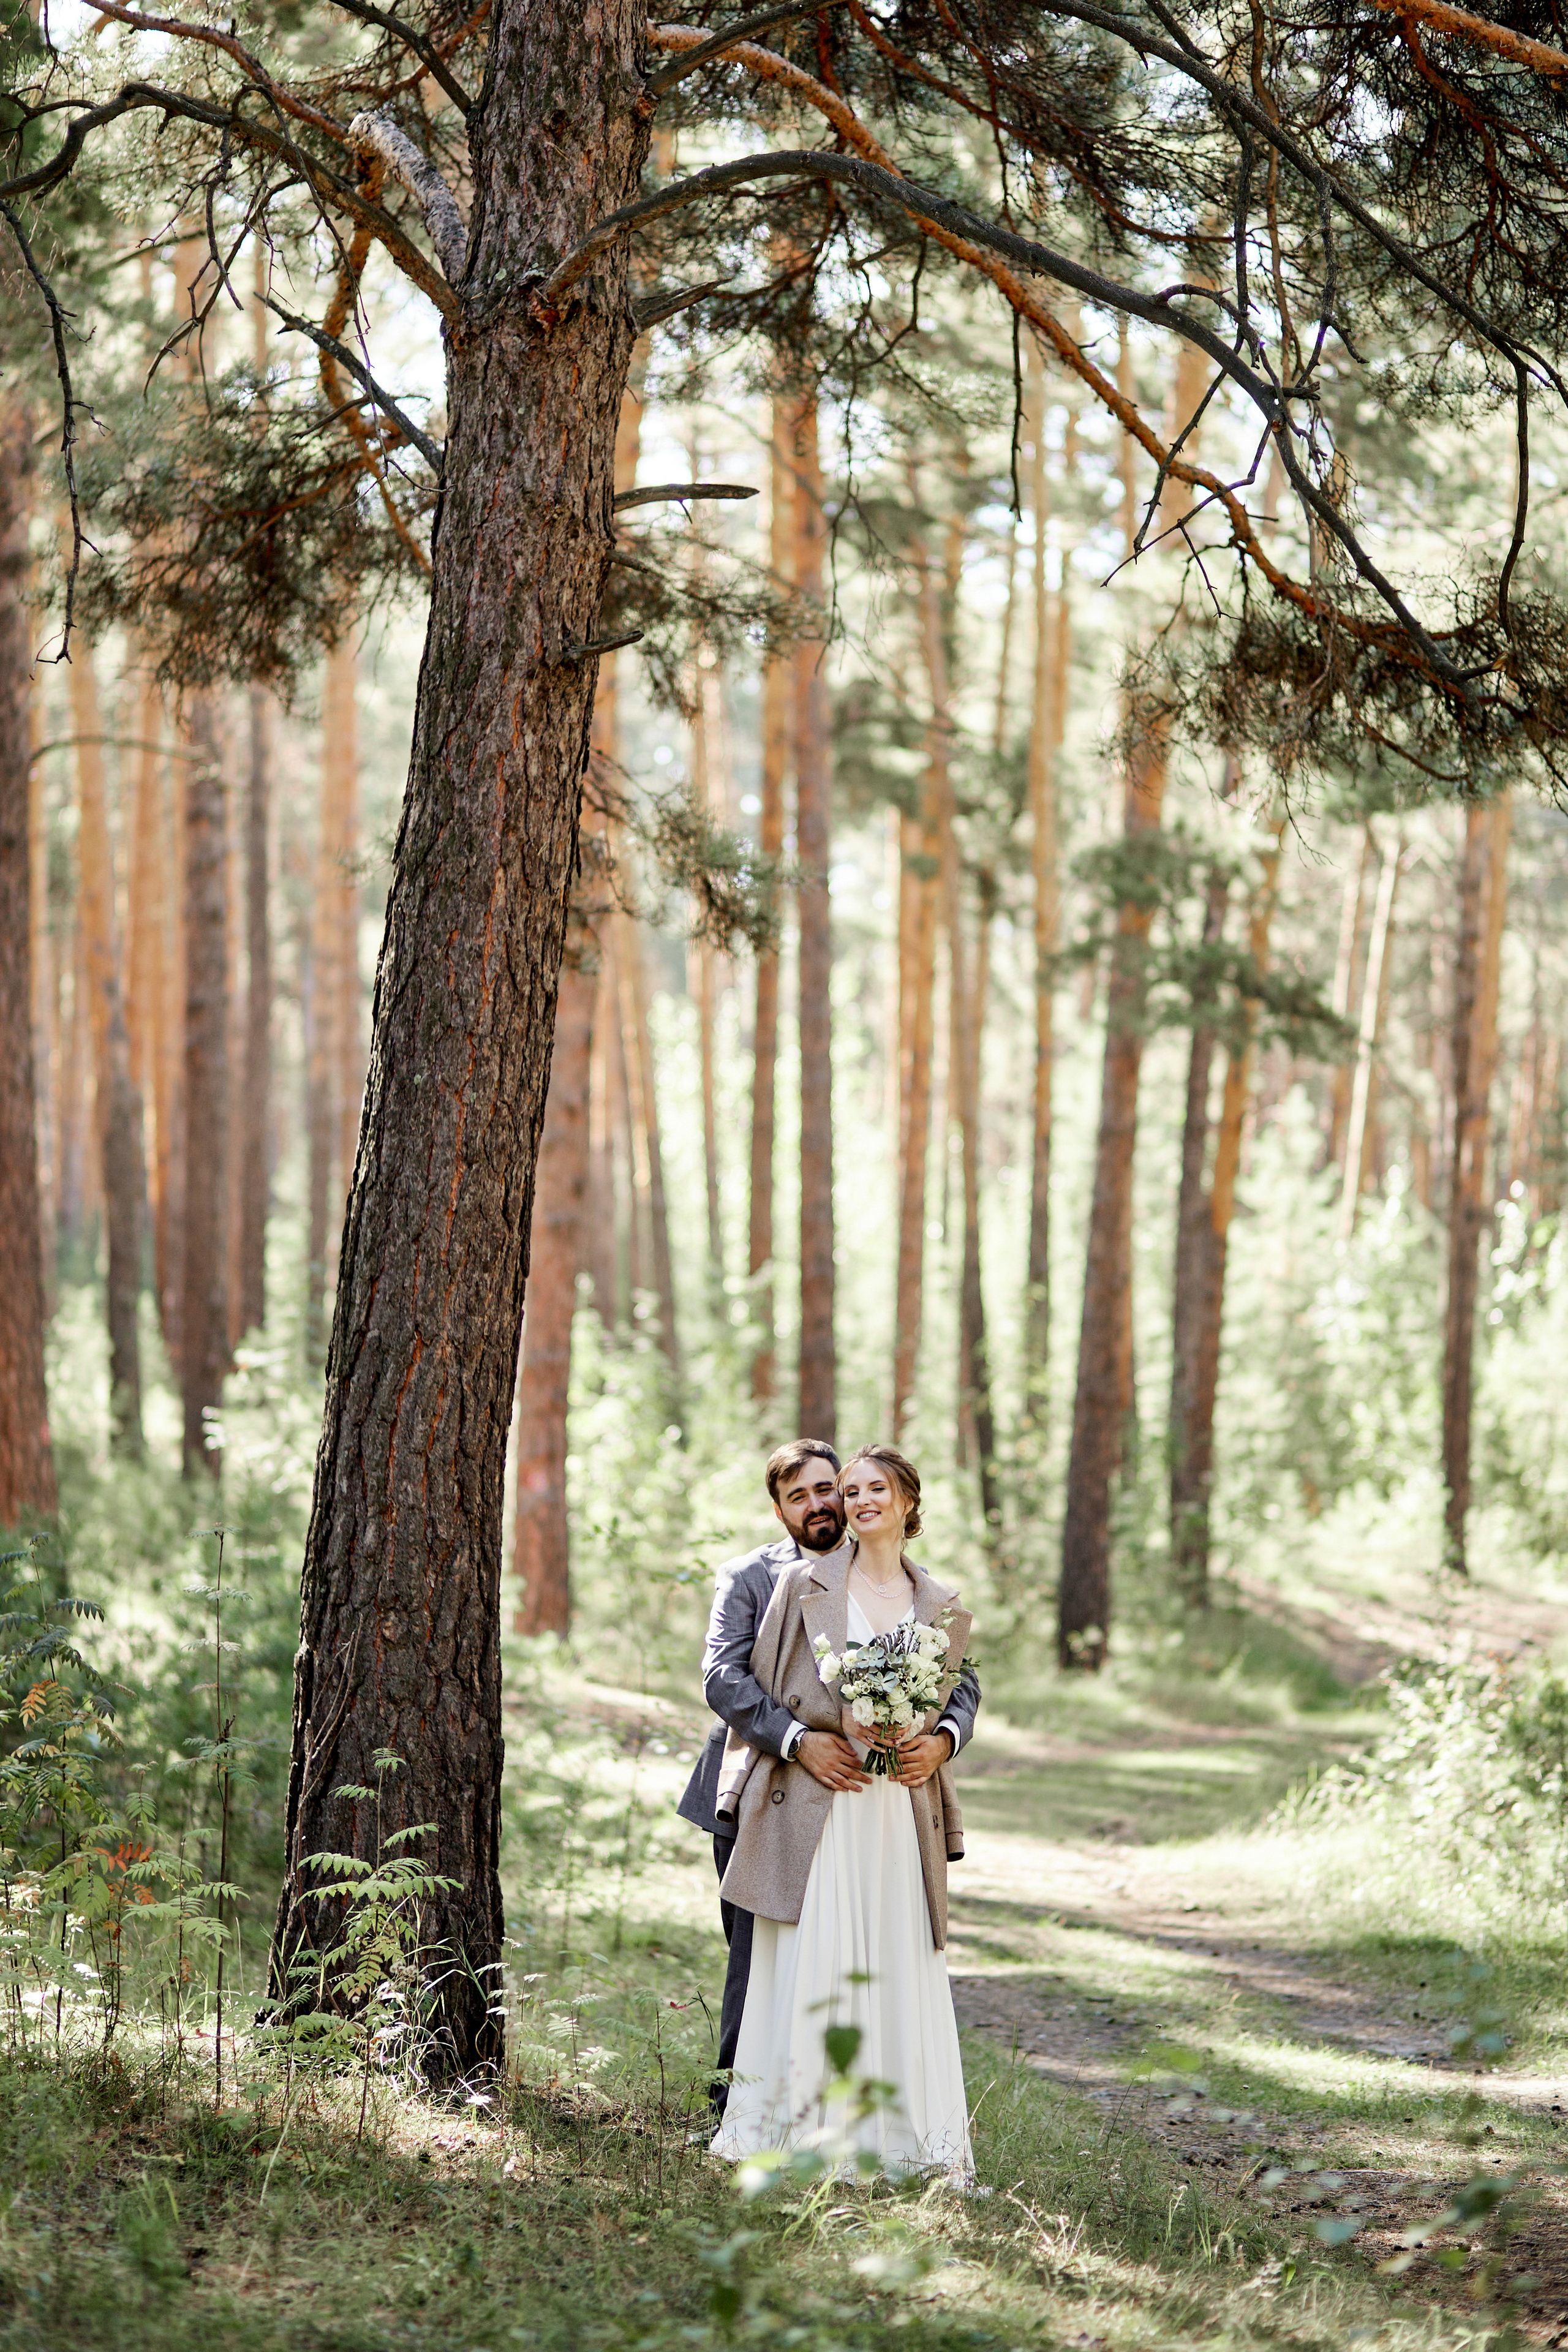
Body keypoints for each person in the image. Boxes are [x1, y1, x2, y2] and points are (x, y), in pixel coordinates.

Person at [677, 1439, 979, 2119]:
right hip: (762, 1779)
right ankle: (742, 2108)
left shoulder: (913, 1585)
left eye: (827, 1489)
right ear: (780, 1508)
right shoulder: (757, 1576)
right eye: (801, 1496)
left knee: (865, 1939)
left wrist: (940, 1739)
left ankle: (864, 2106)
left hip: (874, 1799)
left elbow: (960, 1679)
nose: (821, 1505)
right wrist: (799, 1740)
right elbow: (723, 1677)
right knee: (760, 1954)